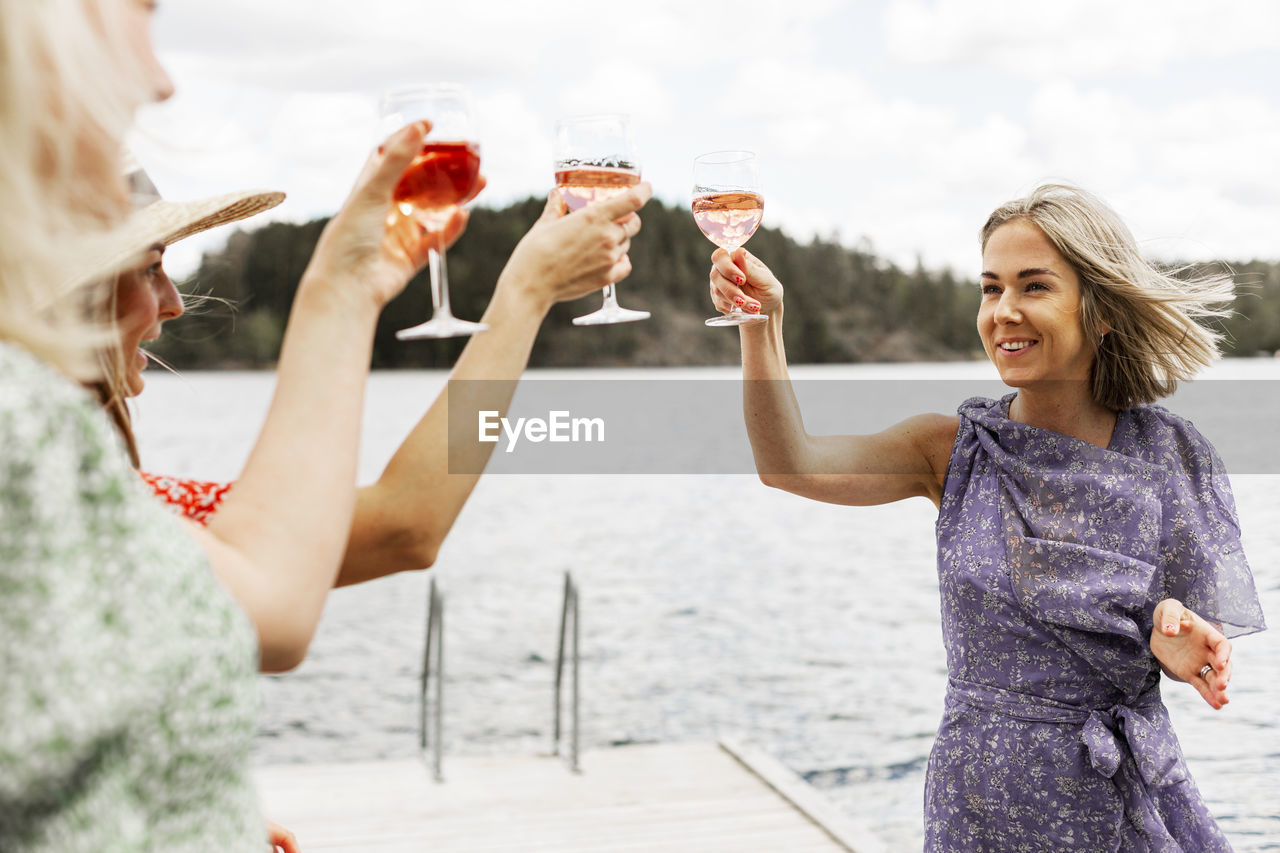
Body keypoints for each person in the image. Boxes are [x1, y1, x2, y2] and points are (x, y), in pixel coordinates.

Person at [0, 2, 649, 851]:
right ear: (69, 285)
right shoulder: (35, 458)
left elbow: (404, 526)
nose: (171, 305)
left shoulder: (121, 502)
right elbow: (344, 560)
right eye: (149, 266)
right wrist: (510, 299)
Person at [706, 183, 1266, 850]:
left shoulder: (1169, 456)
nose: (1003, 311)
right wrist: (760, 325)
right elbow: (789, 464)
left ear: (1101, 309)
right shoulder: (950, 449)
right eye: (990, 288)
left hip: (1113, 799)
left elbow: (1189, 638)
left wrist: (1175, 641)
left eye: (1033, 287)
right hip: (978, 803)